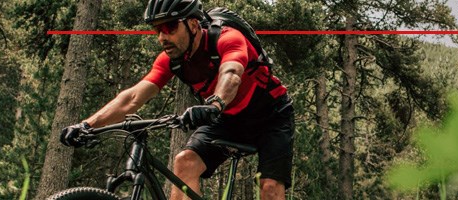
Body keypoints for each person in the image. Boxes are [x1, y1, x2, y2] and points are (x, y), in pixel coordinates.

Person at [58, 0, 294, 199]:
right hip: (226, 119)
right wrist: (87, 125)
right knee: (184, 162)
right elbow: (132, 97)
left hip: (271, 115)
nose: (162, 37)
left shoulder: (227, 38)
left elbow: (231, 75)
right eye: (157, 30)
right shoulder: (171, 60)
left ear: (193, 24)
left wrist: (214, 104)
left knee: (270, 188)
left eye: (170, 27)